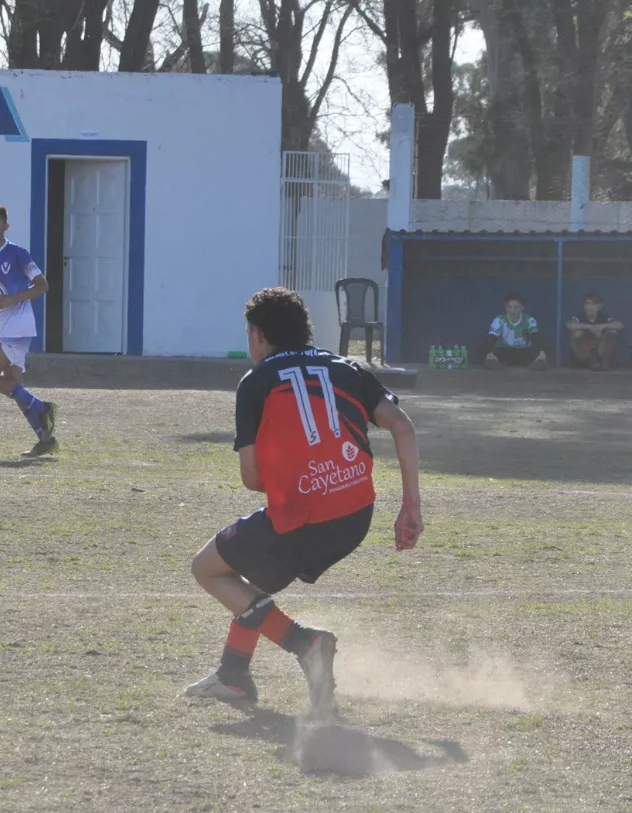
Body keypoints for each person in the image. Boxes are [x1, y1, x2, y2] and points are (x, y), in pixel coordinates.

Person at [185, 287, 423, 716]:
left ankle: (305, 643)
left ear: (258, 335)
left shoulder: (256, 382)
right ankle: (233, 675)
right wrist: (411, 506)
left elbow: (251, 478)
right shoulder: (346, 367)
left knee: (208, 568)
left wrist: (300, 479)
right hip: (356, 514)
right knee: (254, 573)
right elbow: (402, 426)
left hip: (304, 516)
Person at [0, 204, 60, 458]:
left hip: (19, 327)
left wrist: (14, 298)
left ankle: (43, 407)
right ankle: (45, 438)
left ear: (6, 226)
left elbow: (42, 285)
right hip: (1, 328)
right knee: (14, 385)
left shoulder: (18, 253)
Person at [481, 291, 548, 370]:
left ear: (522, 308)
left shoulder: (530, 320)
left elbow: (536, 337)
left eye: (516, 307)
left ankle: (535, 364)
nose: (513, 310)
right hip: (505, 351)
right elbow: (491, 338)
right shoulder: (499, 320)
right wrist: (489, 353)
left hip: (524, 351)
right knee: (491, 354)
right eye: (510, 307)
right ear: (506, 308)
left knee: (540, 354)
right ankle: (496, 364)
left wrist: (541, 352)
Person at [566, 291, 622, 370]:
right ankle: (592, 361)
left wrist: (602, 326)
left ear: (600, 306)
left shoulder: (604, 318)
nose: (589, 307)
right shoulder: (579, 317)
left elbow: (619, 325)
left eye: (593, 304)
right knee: (577, 331)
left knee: (612, 331)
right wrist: (590, 327)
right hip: (584, 357)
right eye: (587, 304)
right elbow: (570, 325)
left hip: (600, 354)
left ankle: (604, 361)